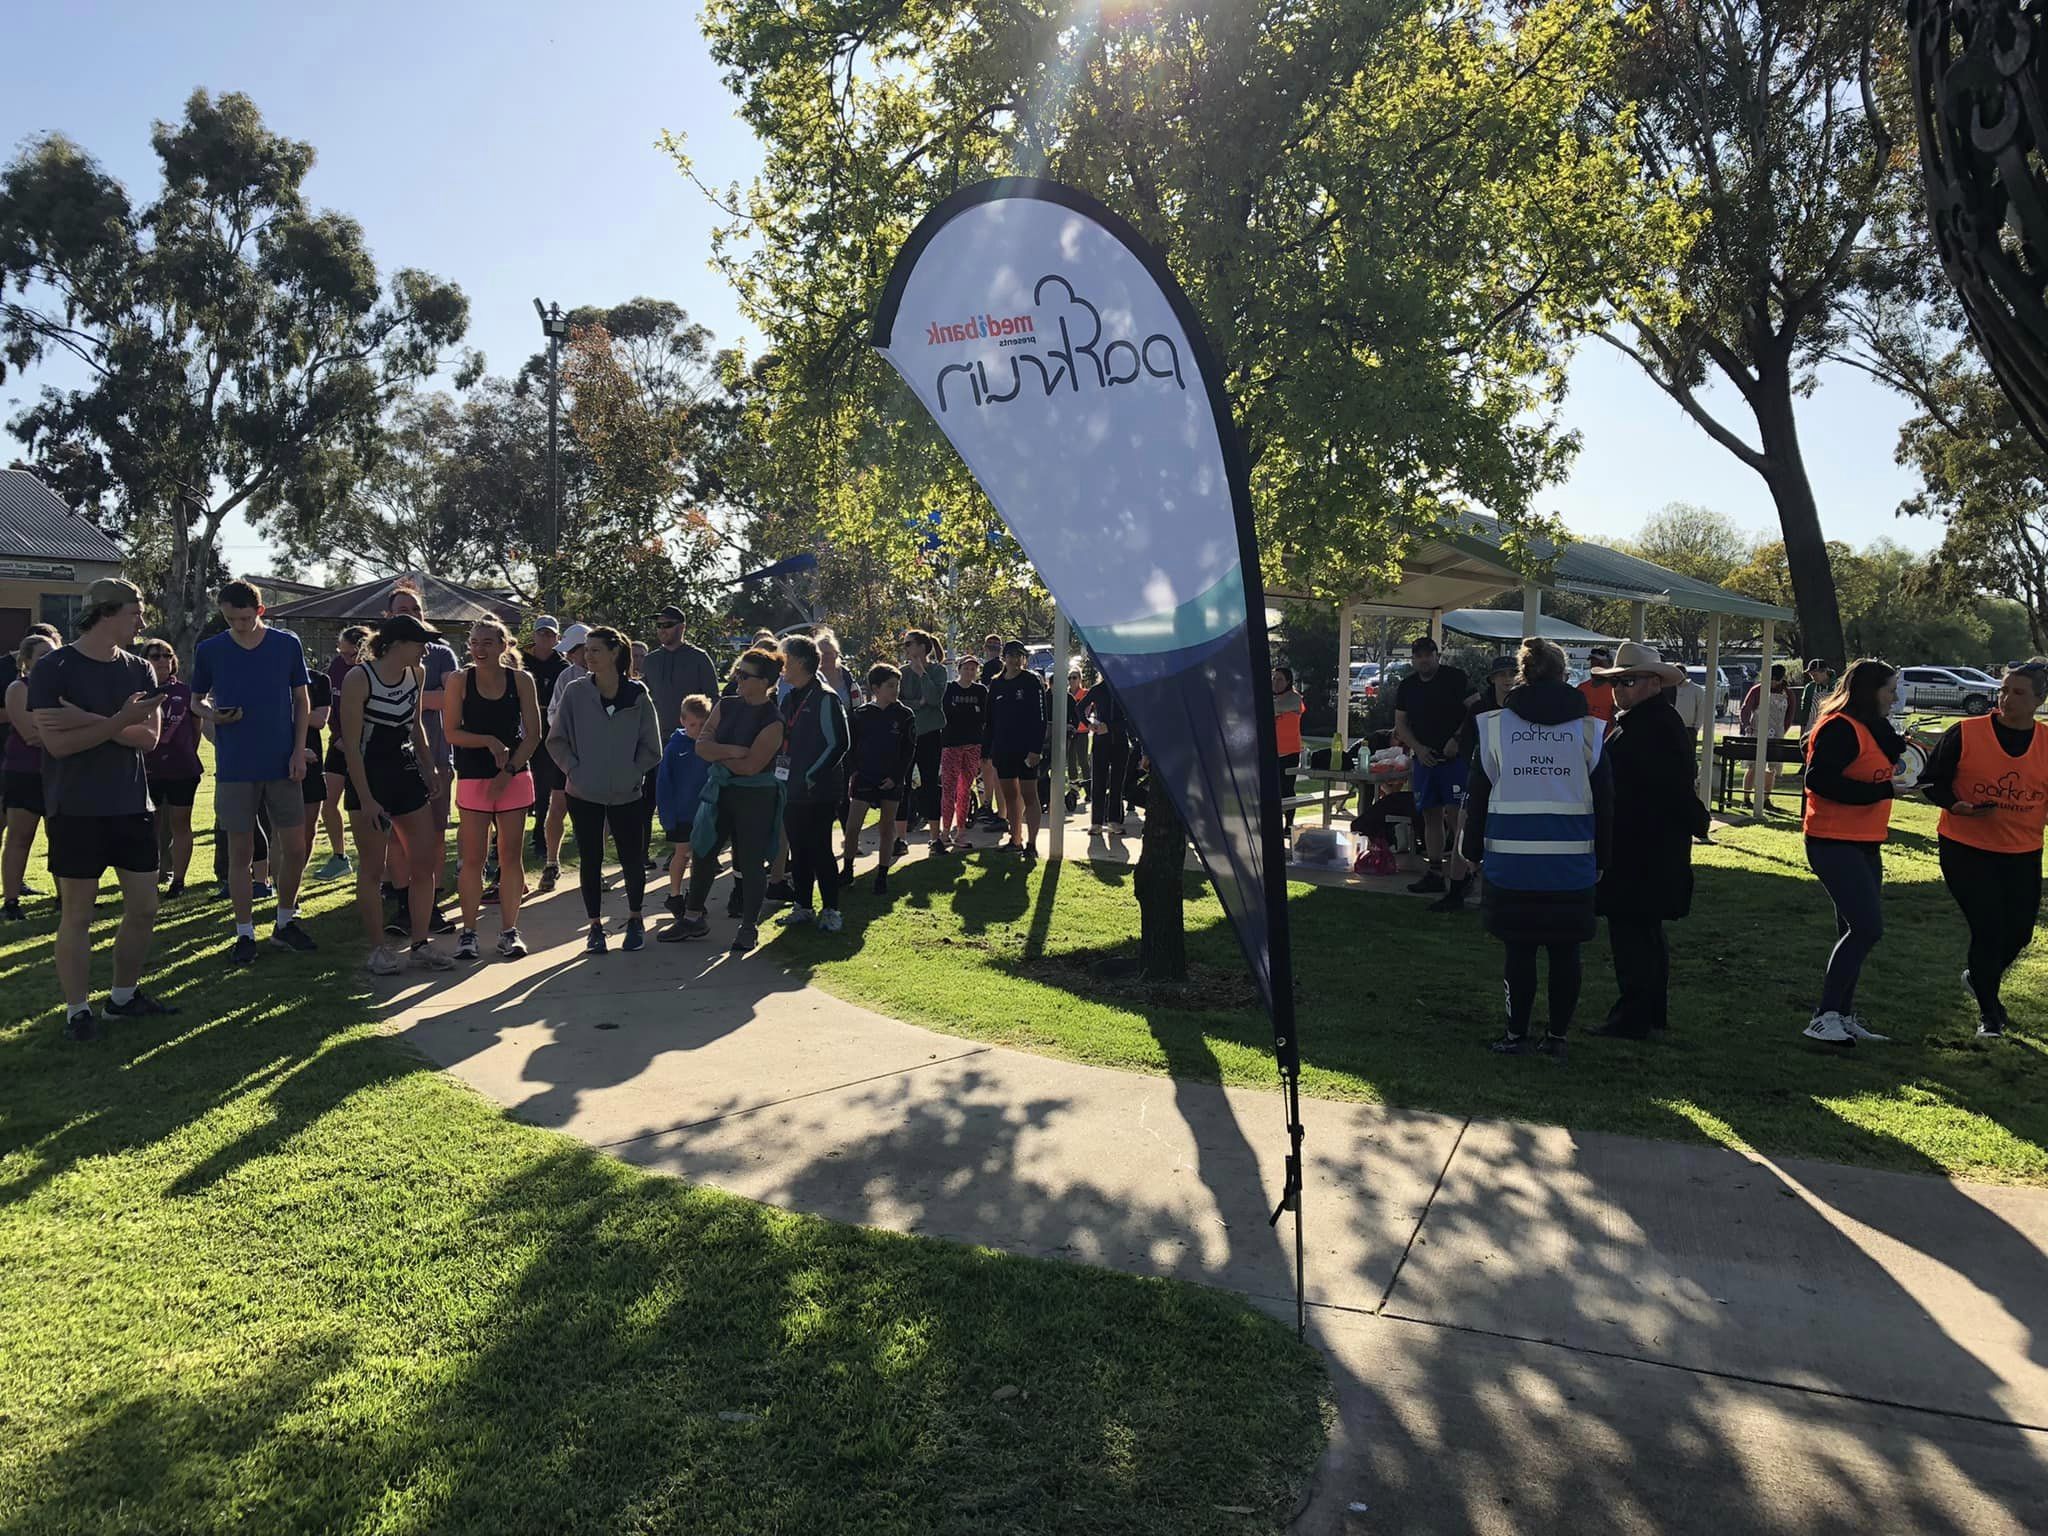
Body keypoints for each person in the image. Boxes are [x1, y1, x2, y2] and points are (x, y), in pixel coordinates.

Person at [28, 577, 179, 1036]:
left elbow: (148, 738)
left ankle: (122, 996)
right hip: (74, 808)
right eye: (135, 613)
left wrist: (89, 721)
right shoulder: (53, 667)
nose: (142, 622)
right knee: (78, 913)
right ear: (107, 613)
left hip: (131, 804)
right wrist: (120, 721)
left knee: (145, 905)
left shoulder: (140, 670)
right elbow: (56, 745)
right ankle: (78, 1010)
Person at [1460, 638, 1610, 1060]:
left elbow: (1478, 793)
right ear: (1565, 676)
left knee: (1519, 952)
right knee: (1566, 952)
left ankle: (1515, 1034)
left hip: (1511, 864)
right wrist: (1605, 858)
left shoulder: (1494, 726)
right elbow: (1606, 801)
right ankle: (1558, 1038)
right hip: (1572, 864)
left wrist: (1471, 851)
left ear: (1520, 676)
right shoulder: (1588, 730)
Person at [1918, 659, 2048, 1038]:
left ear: (2039, 699)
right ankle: (1990, 1015)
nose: (2006, 698)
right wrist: (1955, 804)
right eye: (2004, 690)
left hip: (2022, 850)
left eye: (2018, 692)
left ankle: (1977, 978)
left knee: (2020, 933)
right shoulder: (1966, 733)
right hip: (1966, 846)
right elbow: (1931, 781)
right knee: (1989, 928)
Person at [1585, 644, 1708, 1039]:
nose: (1619, 688)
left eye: (1628, 680)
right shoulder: (1648, 721)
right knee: (1645, 934)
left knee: (1634, 936)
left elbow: (1665, 788)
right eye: (1616, 681)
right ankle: (1648, 1014)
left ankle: (1635, 1016)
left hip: (1641, 849)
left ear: (1654, 683)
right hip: (1646, 846)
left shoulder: (1650, 726)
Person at [189, 580, 316, 962]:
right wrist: (214, 715)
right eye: (230, 619)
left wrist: (298, 751)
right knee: (239, 852)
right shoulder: (210, 649)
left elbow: (301, 698)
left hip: (282, 761)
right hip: (235, 765)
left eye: (244, 618)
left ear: (260, 611)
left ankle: (284, 921)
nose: (238, 625)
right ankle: (244, 932)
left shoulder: (286, 644)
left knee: (295, 846)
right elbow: (196, 701)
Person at [336, 614, 455, 975]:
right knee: (373, 869)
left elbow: (414, 723)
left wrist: (428, 766)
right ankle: (378, 950)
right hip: (369, 775)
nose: (425, 650)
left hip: (404, 773)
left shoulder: (416, 674)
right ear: (397, 644)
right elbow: (353, 746)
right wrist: (366, 797)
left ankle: (420, 945)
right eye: (419, 642)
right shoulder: (360, 678)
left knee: (424, 861)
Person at [1799, 658, 1907, 1044]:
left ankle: (1842, 1013)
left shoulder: (1873, 725)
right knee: (1867, 927)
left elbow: (1902, 758)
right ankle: (1824, 1015)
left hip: (1864, 841)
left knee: (1852, 929)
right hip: (1832, 840)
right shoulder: (1840, 728)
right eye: (1889, 691)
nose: (1894, 699)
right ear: (1869, 691)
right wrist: (1883, 790)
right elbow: (1820, 782)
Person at [547, 625, 662, 955]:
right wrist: (575, 770)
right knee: (590, 859)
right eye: (586, 650)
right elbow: (556, 740)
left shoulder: (638, 695)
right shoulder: (575, 692)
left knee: (631, 858)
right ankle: (595, 927)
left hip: (627, 793)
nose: (588, 655)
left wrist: (631, 772)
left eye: (596, 649)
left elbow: (651, 746)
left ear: (614, 653)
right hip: (583, 793)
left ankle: (635, 920)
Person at [664, 647, 787, 951]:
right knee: (704, 851)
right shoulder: (726, 704)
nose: (737, 679)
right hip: (722, 791)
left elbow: (752, 766)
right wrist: (732, 752)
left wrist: (720, 756)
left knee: (750, 859)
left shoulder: (773, 719)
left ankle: (748, 927)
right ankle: (693, 918)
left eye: (744, 675)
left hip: (755, 796)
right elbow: (702, 747)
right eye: (737, 672)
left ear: (764, 682)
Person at [444, 617, 542, 961]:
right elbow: (451, 732)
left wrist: (509, 769)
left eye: (488, 642)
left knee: (510, 857)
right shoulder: (459, 680)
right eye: (475, 642)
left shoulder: (522, 680)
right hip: (472, 776)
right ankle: (468, 933)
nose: (480, 648)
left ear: (504, 646)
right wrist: (488, 741)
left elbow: (533, 735)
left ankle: (508, 932)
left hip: (514, 777)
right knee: (472, 859)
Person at [381, 581, 457, 937]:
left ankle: (431, 904)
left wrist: (402, 698)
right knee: (397, 837)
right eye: (402, 611)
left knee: (436, 834)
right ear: (388, 616)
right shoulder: (376, 655)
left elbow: (449, 700)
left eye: (416, 611)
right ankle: (403, 905)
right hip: (392, 761)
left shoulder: (440, 653)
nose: (411, 617)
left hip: (438, 755)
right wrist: (421, 697)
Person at [1431, 655, 1516, 913]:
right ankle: (1456, 890)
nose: (1507, 679)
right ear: (1492, 679)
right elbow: (1467, 741)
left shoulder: (1523, 707)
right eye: (1502, 674)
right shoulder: (1479, 709)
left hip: (1513, 781)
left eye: (1512, 673)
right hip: (1480, 778)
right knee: (1463, 831)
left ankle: (1497, 893)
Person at [777, 635, 850, 929]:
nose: (781, 665)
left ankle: (831, 910)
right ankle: (803, 906)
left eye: (785, 659)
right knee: (798, 849)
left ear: (799, 662)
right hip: (790, 789)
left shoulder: (826, 697)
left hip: (819, 791)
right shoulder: (789, 697)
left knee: (820, 847)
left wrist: (811, 776)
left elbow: (839, 743)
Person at [1393, 636, 1470, 894]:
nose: (1424, 659)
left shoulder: (1455, 678)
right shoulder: (1407, 686)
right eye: (1419, 655)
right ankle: (1435, 871)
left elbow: (1476, 710)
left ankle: (1465, 871)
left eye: (1429, 654)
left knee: (1456, 815)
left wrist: (1457, 739)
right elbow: (1400, 724)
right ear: (1413, 659)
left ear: (1438, 655)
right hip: (1425, 760)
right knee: (1430, 814)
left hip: (1455, 759)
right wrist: (1418, 748)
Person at [642, 604, 720, 856]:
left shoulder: (698, 657)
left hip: (693, 739)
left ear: (681, 627)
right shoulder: (651, 660)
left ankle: (702, 849)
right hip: (657, 738)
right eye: (659, 625)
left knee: (694, 794)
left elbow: (713, 700)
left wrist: (707, 736)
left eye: (667, 625)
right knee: (655, 793)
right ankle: (650, 853)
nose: (661, 630)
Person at [842, 663, 917, 893]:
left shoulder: (904, 715)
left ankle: (882, 875)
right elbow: (850, 748)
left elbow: (908, 751)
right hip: (865, 778)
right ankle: (847, 870)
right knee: (853, 827)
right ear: (875, 688)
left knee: (887, 828)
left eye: (898, 685)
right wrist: (855, 772)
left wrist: (896, 778)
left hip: (891, 781)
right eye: (890, 686)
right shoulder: (860, 715)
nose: (895, 690)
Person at [139, 638, 202, 898]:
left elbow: (195, 730)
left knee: (180, 823)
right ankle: (148, 878)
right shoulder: (139, 692)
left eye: (167, 655)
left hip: (182, 769)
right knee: (147, 827)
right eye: (155, 656)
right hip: (147, 769)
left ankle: (178, 880)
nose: (163, 660)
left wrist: (185, 753)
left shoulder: (185, 692)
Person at [2, 633, 55, 920]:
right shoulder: (18, 688)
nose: (50, 659)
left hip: (60, 773)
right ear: (26, 661)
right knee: (20, 838)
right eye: (42, 654)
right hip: (25, 773)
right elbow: (31, 735)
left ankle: (66, 897)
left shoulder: (65, 687)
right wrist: (76, 734)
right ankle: (11, 902)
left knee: (62, 837)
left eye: (54, 653)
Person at [538, 621, 589, 890]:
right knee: (557, 806)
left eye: (573, 650)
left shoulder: (611, 675)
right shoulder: (566, 677)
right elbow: (552, 714)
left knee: (597, 812)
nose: (568, 655)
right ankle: (551, 863)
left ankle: (593, 866)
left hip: (597, 756)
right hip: (566, 753)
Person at [985, 640, 1048, 856]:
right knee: (1010, 796)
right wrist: (987, 750)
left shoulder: (1031, 681)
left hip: (1026, 750)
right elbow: (990, 720)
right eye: (1010, 655)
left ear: (1024, 659)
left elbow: (1041, 718)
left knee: (1030, 795)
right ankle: (1015, 839)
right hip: (1003, 749)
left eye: (1018, 656)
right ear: (1004, 657)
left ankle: (1032, 844)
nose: (1014, 660)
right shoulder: (996, 683)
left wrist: (1035, 750)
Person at [316, 625, 369, 879]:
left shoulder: (373, 670)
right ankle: (340, 857)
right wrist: (338, 737)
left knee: (359, 807)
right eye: (343, 653)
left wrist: (354, 743)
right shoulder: (336, 667)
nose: (346, 659)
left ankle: (370, 860)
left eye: (351, 654)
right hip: (338, 746)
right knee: (328, 803)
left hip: (365, 751)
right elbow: (331, 709)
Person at [656, 694, 714, 917]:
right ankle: (674, 893)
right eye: (692, 724)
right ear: (682, 721)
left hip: (707, 812)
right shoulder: (674, 748)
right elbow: (664, 784)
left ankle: (695, 895)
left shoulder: (711, 747)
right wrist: (667, 815)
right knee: (682, 853)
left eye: (702, 724)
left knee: (702, 856)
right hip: (682, 813)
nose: (697, 729)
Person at [896, 629, 948, 854]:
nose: (906, 649)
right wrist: (919, 703)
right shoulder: (900, 673)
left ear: (922, 647)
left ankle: (935, 838)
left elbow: (935, 699)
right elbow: (898, 703)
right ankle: (900, 839)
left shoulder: (938, 671)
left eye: (909, 644)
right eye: (905, 645)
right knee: (902, 784)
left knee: (930, 784)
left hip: (930, 734)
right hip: (906, 735)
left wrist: (921, 674)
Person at [521, 616, 568, 862]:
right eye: (542, 634)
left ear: (557, 638)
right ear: (534, 635)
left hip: (550, 727)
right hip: (523, 726)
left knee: (546, 783)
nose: (546, 638)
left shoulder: (561, 665)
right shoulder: (521, 661)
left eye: (551, 635)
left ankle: (540, 833)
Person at [935, 655, 989, 854]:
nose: (969, 672)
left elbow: (982, 716)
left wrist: (965, 714)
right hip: (951, 744)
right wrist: (967, 713)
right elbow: (948, 714)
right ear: (959, 669)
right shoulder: (949, 689)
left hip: (973, 744)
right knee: (948, 789)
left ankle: (961, 831)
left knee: (965, 789)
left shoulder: (980, 691)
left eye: (973, 669)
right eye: (966, 668)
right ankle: (945, 831)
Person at [1081, 671, 1136, 835]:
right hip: (1101, 742)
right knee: (1098, 781)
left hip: (1120, 741)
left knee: (1117, 783)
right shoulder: (1098, 689)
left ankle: (1114, 821)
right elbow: (1079, 707)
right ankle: (1096, 822)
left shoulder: (1125, 689)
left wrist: (1111, 728)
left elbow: (1131, 719)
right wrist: (1089, 724)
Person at [1738, 663, 1795, 807]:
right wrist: (1746, 725)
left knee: (1772, 768)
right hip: (1756, 731)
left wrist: (1782, 731)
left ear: (1782, 679)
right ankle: (1746, 798)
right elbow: (1746, 709)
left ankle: (1766, 799)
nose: (1773, 682)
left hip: (1776, 733)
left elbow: (1789, 715)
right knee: (1753, 766)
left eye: (1776, 679)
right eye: (1771, 679)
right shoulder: (1757, 690)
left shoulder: (1788, 694)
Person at [1272, 666, 1305, 830]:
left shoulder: (1294, 698)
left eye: (1279, 679)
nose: (1275, 682)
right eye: (1274, 679)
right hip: (1272, 752)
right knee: (1272, 789)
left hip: (1289, 752)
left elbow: (1277, 708)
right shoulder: (1273, 699)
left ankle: (1289, 823)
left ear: (1288, 682)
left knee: (1287, 789)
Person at [1577, 647, 1617, 725]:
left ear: (1611, 665)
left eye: (1599, 664)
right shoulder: (1581, 688)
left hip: (1607, 736)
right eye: (1593, 663)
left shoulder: (1617, 690)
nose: (1594, 667)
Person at [1798, 659, 1836, 736]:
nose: (1813, 678)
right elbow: (1805, 711)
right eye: (1811, 675)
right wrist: (1802, 733)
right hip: (1811, 729)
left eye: (1815, 675)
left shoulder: (1839, 686)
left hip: (1832, 729)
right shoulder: (1810, 687)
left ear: (1824, 671)